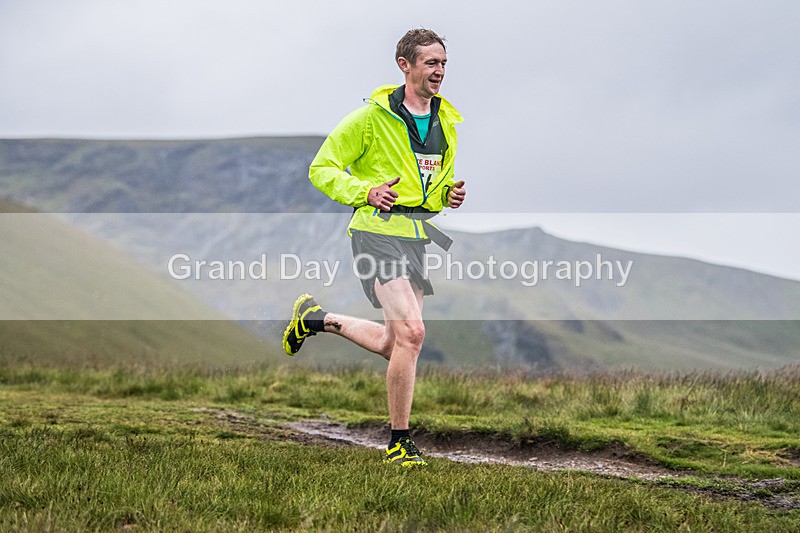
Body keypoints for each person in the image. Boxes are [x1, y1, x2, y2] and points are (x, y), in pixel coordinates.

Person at [283, 28, 465, 468]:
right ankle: (399, 442)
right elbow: (321, 167)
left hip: (416, 237)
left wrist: (446, 198)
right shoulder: (370, 118)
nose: (439, 71)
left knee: (395, 341)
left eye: (443, 62)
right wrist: (365, 192)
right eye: (430, 63)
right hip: (375, 232)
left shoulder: (447, 122)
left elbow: (430, 186)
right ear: (404, 65)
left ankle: (315, 319)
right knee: (413, 334)